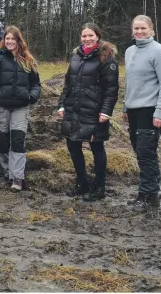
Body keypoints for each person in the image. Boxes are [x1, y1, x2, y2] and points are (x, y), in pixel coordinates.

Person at [58, 23, 119, 201]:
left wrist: (106, 111)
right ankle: (82, 183)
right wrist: (62, 104)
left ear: (97, 36)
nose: (87, 39)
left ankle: (99, 187)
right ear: (80, 37)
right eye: (84, 36)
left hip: (94, 111)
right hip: (73, 109)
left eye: (91, 35)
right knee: (73, 146)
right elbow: (68, 83)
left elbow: (111, 89)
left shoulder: (106, 57)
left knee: (96, 147)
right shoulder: (75, 56)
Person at [122, 15, 161, 214]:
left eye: (143, 28)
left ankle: (149, 197)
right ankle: (147, 190)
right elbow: (130, 83)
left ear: (151, 29)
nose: (139, 32)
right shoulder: (130, 51)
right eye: (136, 28)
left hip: (150, 111)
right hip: (134, 110)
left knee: (145, 152)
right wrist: (126, 107)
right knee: (141, 152)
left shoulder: (160, 52)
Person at [0, 26, 41, 191]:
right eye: (7, 39)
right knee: (2, 140)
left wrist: (31, 96)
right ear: (4, 41)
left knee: (17, 140)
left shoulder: (28, 60)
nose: (9, 42)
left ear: (18, 41)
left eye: (12, 39)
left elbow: (36, 83)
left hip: (21, 107)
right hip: (1, 107)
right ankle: (7, 172)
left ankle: (17, 177)